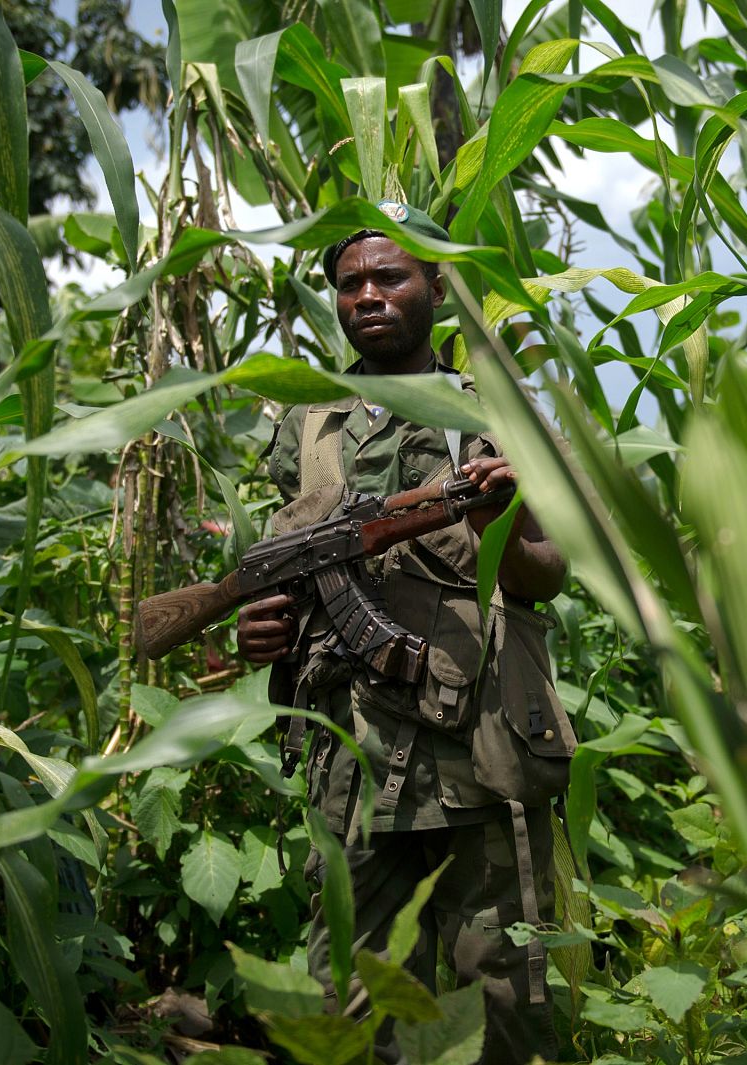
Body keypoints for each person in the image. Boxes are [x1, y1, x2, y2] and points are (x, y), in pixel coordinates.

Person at [236, 200, 572, 1064]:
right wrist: (262, 626)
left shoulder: (492, 410)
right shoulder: (308, 424)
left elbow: (548, 575)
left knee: (503, 1004)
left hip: (481, 752)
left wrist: (508, 517)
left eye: (391, 276)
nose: (369, 295)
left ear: (434, 287)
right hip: (352, 764)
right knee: (346, 1010)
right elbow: (281, 566)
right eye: (351, 284)